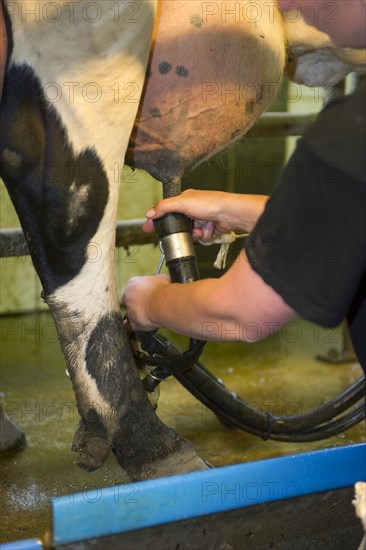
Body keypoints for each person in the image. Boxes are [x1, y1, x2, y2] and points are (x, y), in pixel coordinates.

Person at [122, 0, 366, 373]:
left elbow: (242, 314)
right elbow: (349, 215)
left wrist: (150, 302)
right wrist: (241, 210)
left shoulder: (349, 134)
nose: (284, 2)